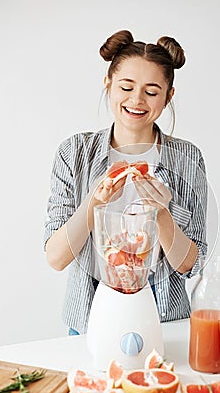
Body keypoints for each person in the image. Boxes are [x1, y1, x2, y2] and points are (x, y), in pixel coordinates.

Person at [44, 30, 207, 335]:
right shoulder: (73, 153)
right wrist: (94, 202)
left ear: (169, 96)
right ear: (108, 84)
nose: (137, 100)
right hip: (89, 323)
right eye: (127, 87)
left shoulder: (188, 159)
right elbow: (56, 258)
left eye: (152, 91)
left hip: (165, 323)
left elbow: (190, 265)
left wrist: (161, 214)